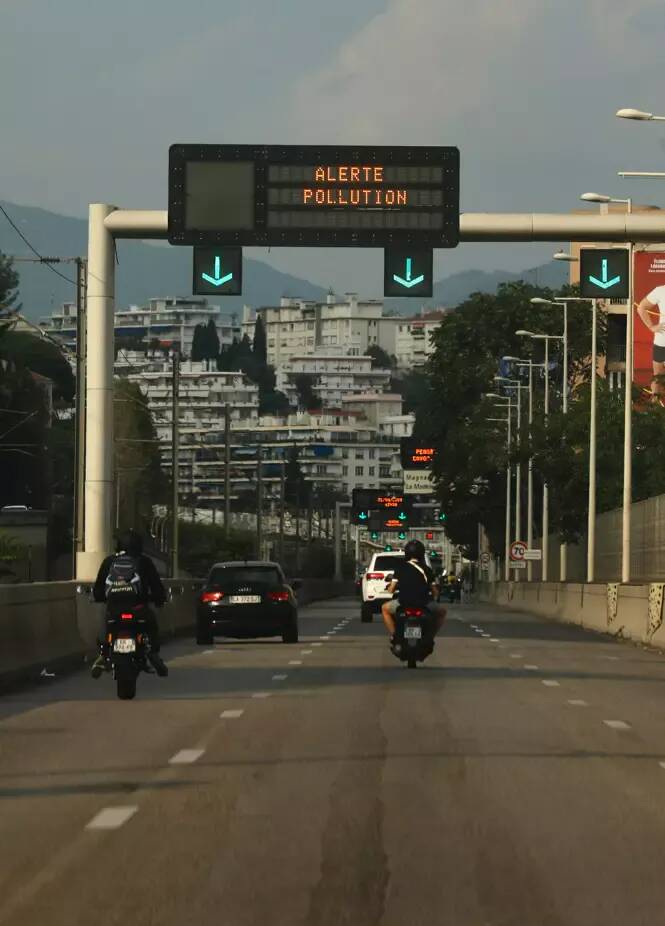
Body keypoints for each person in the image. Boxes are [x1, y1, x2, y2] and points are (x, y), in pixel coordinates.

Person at [91, 529, 168, 678]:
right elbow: (156, 587)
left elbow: (98, 590)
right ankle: (153, 652)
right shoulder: (144, 561)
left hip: (114, 610)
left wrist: (101, 598)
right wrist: (159, 599)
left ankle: (104, 654)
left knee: (107, 624)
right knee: (151, 624)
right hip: (138, 608)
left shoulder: (109, 561)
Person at [381, 540, 447, 652]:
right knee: (442, 612)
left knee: (385, 609)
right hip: (423, 604)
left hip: (403, 603)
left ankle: (394, 636)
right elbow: (435, 591)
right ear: (421, 553)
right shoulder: (427, 569)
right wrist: (434, 597)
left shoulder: (400, 568)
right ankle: (430, 636)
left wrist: (389, 588)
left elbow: (391, 589)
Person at [637, 291, 665, 402]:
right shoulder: (661, 290)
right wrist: (651, 326)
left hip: (661, 342)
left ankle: (655, 410)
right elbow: (641, 307)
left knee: (657, 377)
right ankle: (654, 411)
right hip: (662, 343)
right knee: (657, 377)